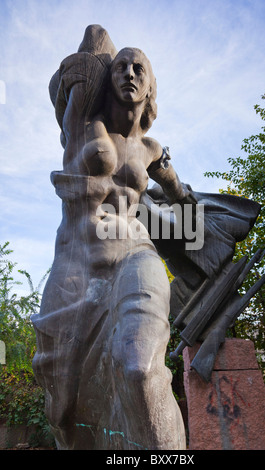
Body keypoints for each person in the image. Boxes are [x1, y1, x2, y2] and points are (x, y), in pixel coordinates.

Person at [32, 25, 188, 450]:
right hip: (77, 262)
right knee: (62, 407)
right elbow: (92, 40)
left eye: (139, 68)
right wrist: (100, 64)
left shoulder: (152, 148)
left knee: (138, 365)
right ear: (107, 77)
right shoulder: (83, 122)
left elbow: (178, 191)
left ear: (151, 84)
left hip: (135, 256)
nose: (129, 73)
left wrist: (184, 202)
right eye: (120, 67)